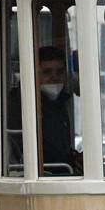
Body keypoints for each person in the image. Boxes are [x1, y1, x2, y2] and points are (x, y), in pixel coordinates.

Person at [35, 45, 82, 175]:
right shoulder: (24, 106)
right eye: (47, 72)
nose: (54, 77)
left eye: (59, 72)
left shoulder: (60, 103)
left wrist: (73, 156)